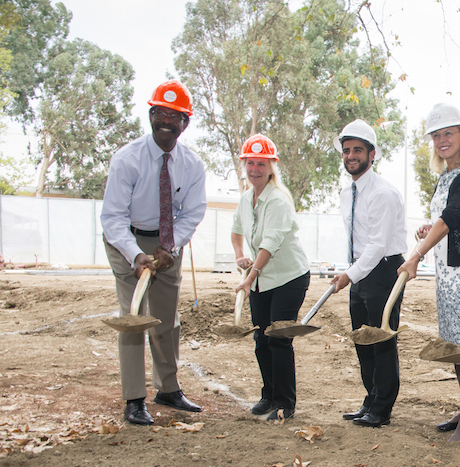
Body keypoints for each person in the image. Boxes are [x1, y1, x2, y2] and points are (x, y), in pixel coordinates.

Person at [100, 80, 207, 426]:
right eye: (160, 113)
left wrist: (169, 245)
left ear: (185, 124)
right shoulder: (127, 159)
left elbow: (193, 211)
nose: (166, 121)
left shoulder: (192, 166)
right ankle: (134, 399)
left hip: (166, 243)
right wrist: (135, 255)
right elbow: (113, 217)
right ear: (150, 116)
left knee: (167, 319)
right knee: (133, 318)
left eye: (174, 116)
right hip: (126, 240)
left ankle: (168, 388)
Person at [398, 104, 460, 442]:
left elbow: (452, 217)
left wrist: (416, 255)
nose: (442, 140)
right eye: (436, 135)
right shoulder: (446, 176)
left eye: (448, 133)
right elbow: (448, 219)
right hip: (448, 272)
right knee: (456, 345)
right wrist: (430, 229)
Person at [331, 120, 407, 428]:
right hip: (361, 271)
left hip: (384, 270)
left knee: (381, 340)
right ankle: (371, 398)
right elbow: (358, 241)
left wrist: (350, 274)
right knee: (363, 340)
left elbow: (377, 245)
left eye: (357, 150)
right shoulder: (347, 192)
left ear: (372, 154)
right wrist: (351, 272)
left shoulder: (383, 193)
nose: (351, 156)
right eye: (347, 150)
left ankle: (382, 408)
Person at [230, 134, 310, 421]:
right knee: (261, 339)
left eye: (261, 164)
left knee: (278, 337)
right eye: (250, 163)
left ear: (271, 167)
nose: (254, 169)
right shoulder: (245, 199)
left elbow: (269, 244)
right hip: (262, 278)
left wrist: (249, 278)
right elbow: (236, 232)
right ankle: (268, 395)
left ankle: (285, 401)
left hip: (289, 278)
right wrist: (241, 255)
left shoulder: (277, 201)